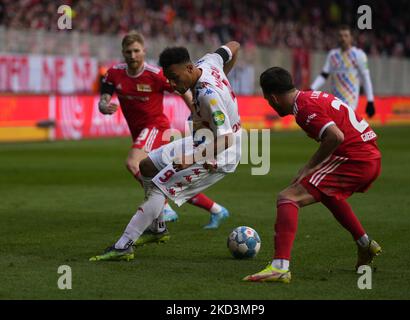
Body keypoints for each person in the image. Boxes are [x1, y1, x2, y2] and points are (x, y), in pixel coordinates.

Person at [90, 41, 242, 262]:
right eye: (168, 78)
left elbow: (226, 138)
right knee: (146, 166)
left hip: (218, 152)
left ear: (189, 69)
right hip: (201, 140)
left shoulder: (209, 95)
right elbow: (234, 46)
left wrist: (192, 159)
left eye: (174, 78)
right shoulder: (210, 61)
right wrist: (224, 75)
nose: (171, 83)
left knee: (160, 188)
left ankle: (124, 245)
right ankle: (158, 229)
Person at [244, 67, 382, 283]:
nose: (269, 104)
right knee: (327, 193)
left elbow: (334, 136)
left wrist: (309, 167)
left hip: (355, 160)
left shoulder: (304, 108)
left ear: (273, 98)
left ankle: (280, 267)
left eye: (267, 100)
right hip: (367, 156)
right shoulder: (309, 97)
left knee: (288, 197)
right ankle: (365, 244)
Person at [310, 25, 376, 118]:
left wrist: (370, 100)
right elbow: (324, 75)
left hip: (351, 100)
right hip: (335, 100)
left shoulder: (359, 55)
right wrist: (312, 88)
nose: (343, 38)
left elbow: (366, 78)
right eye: (340, 36)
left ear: (351, 38)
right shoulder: (333, 55)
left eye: (346, 35)